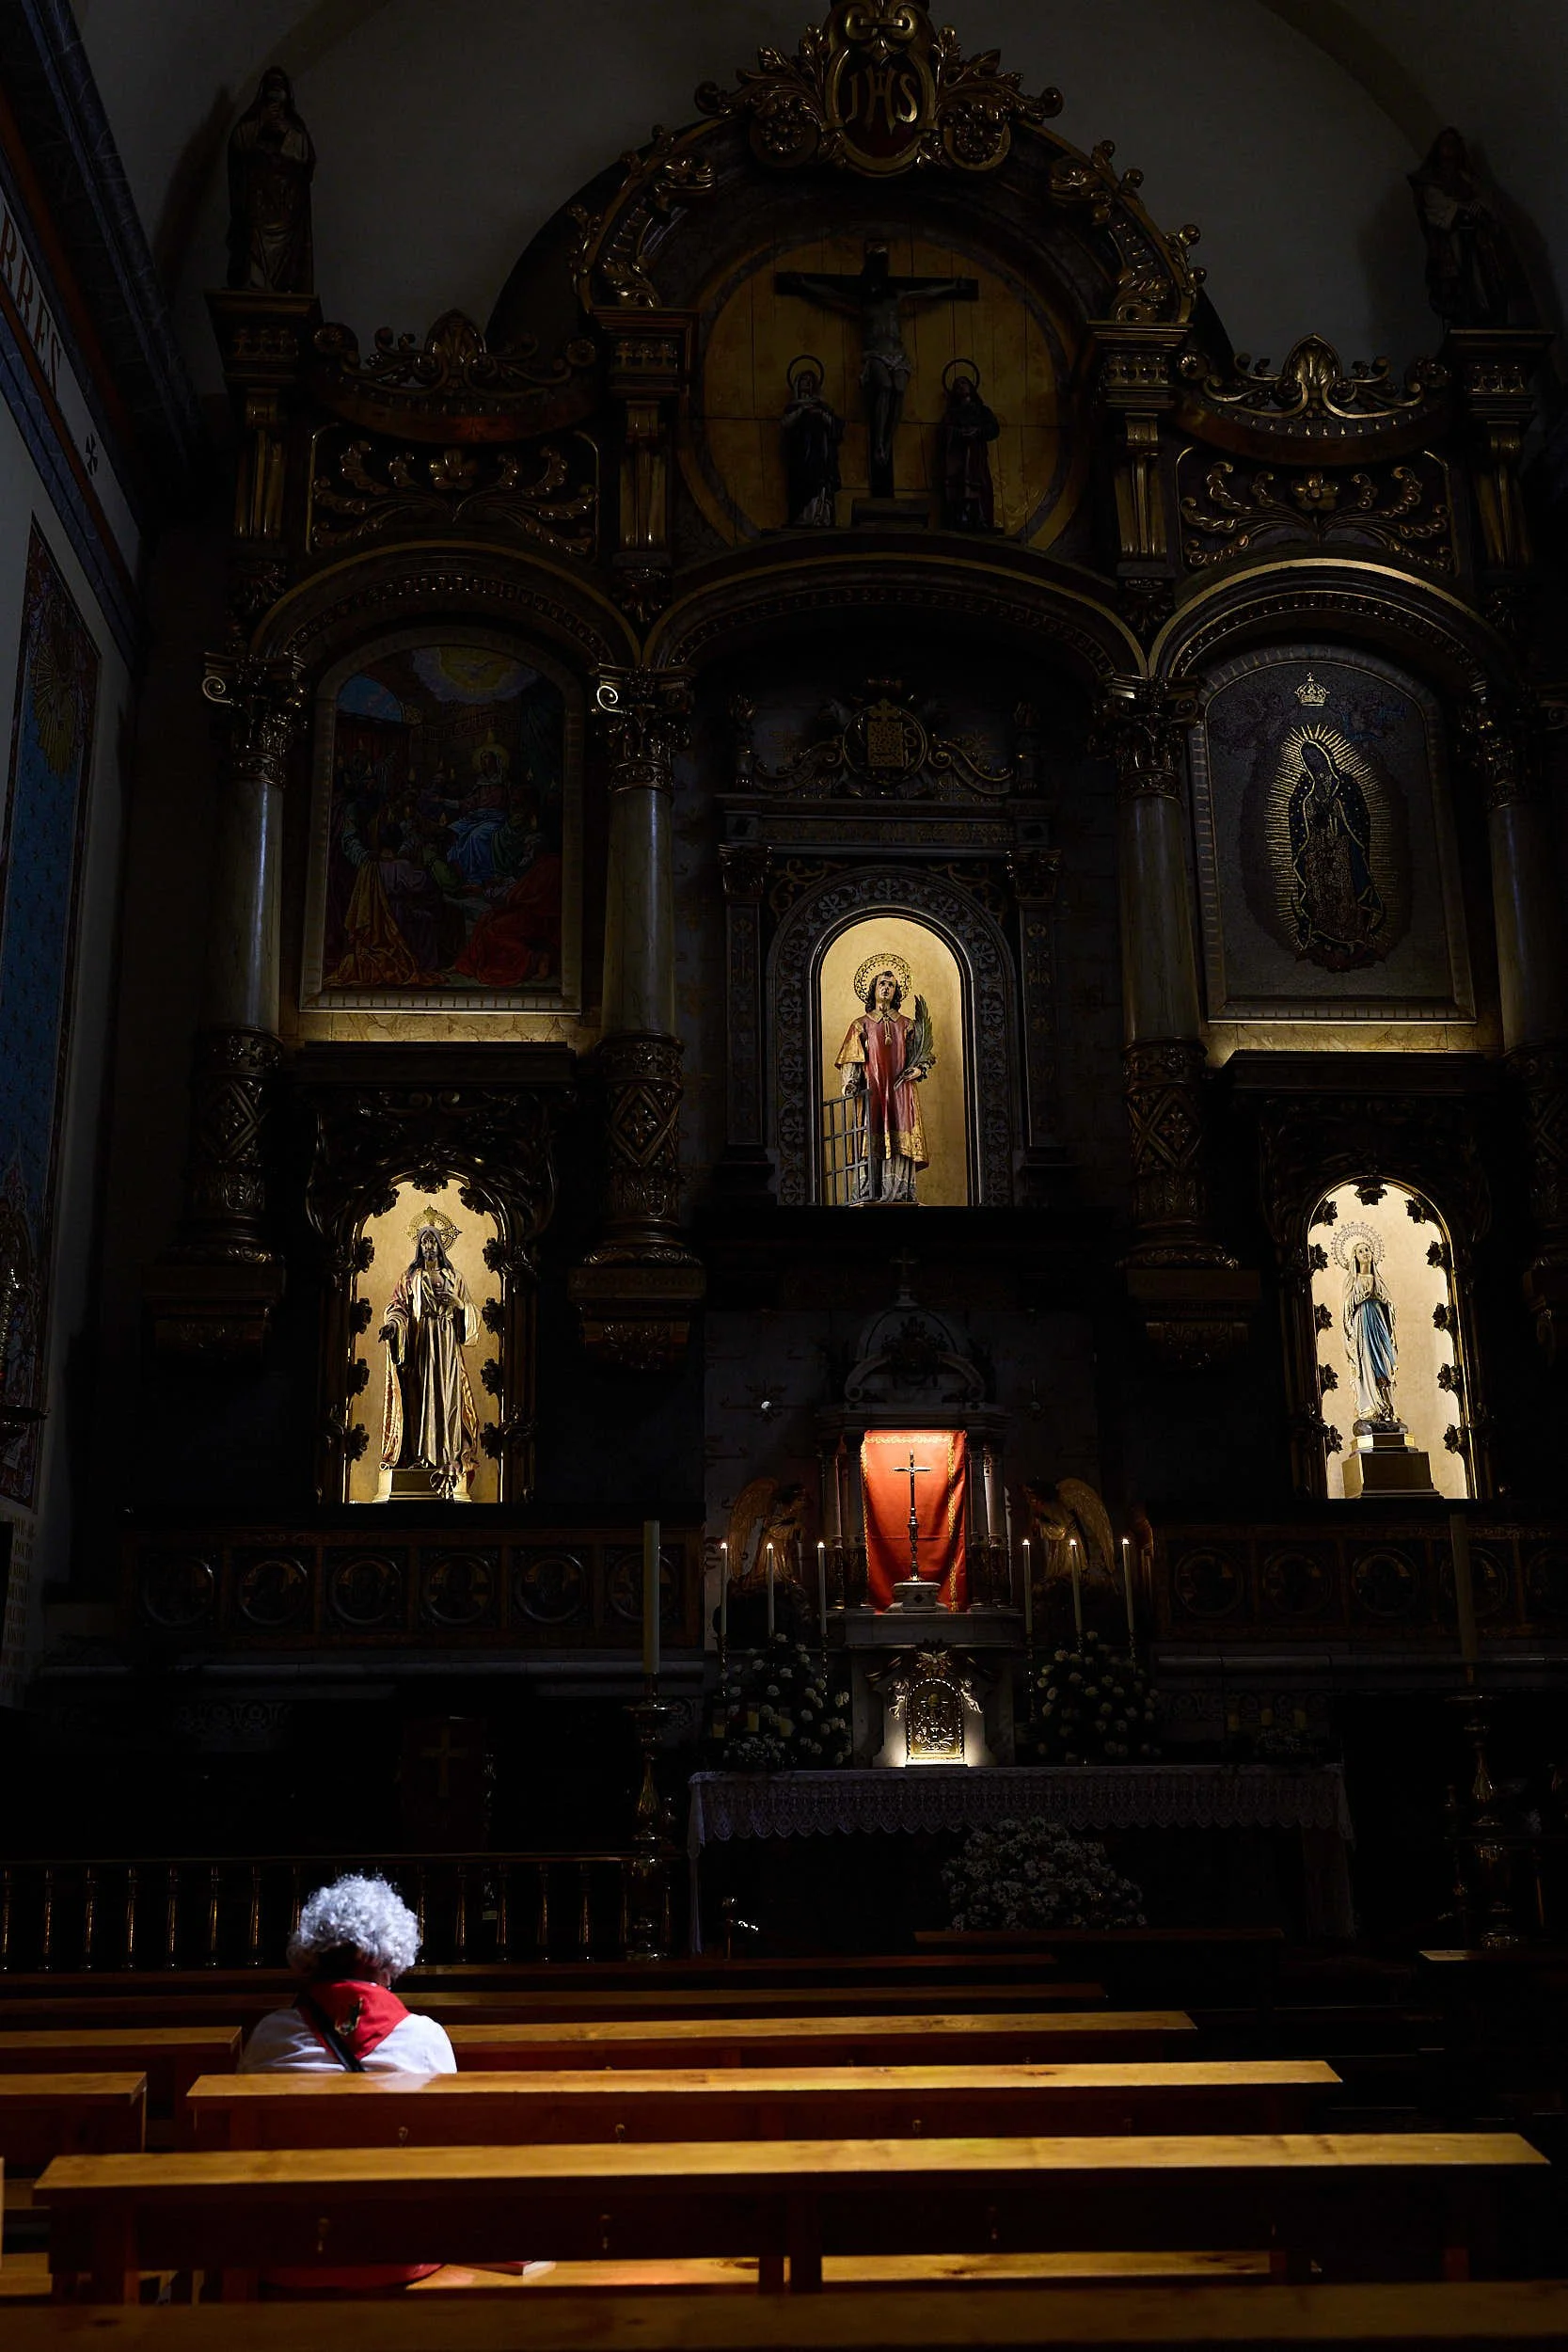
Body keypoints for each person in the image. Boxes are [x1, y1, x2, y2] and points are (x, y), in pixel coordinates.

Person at [241, 1875, 454, 2290]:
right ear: (389, 1960)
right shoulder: (427, 2039)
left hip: (290, 2250)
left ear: (313, 1956)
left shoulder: (270, 2035)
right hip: (401, 2251)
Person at [380, 1221, 480, 1498]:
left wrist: (458, 1305)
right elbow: (398, 1306)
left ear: (441, 1245)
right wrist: (392, 1325)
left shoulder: (454, 1277)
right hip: (421, 1341)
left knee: (448, 1398)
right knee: (421, 1397)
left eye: (433, 1241)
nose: (428, 1246)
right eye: (424, 1241)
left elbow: (471, 1314)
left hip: (446, 1344)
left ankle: (445, 1455)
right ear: (419, 1245)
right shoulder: (409, 1277)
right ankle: (419, 1455)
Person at [835, 962, 933, 1203]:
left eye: (891, 985)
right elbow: (852, 1060)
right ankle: (869, 1192)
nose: (886, 988)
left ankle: (899, 1192)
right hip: (874, 1091)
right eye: (882, 984)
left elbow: (924, 1055)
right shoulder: (861, 1025)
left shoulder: (908, 1025)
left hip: (901, 1092)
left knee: (900, 1137)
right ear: (873, 989)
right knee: (871, 1134)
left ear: (896, 992)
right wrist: (850, 1082)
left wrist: (918, 1069)